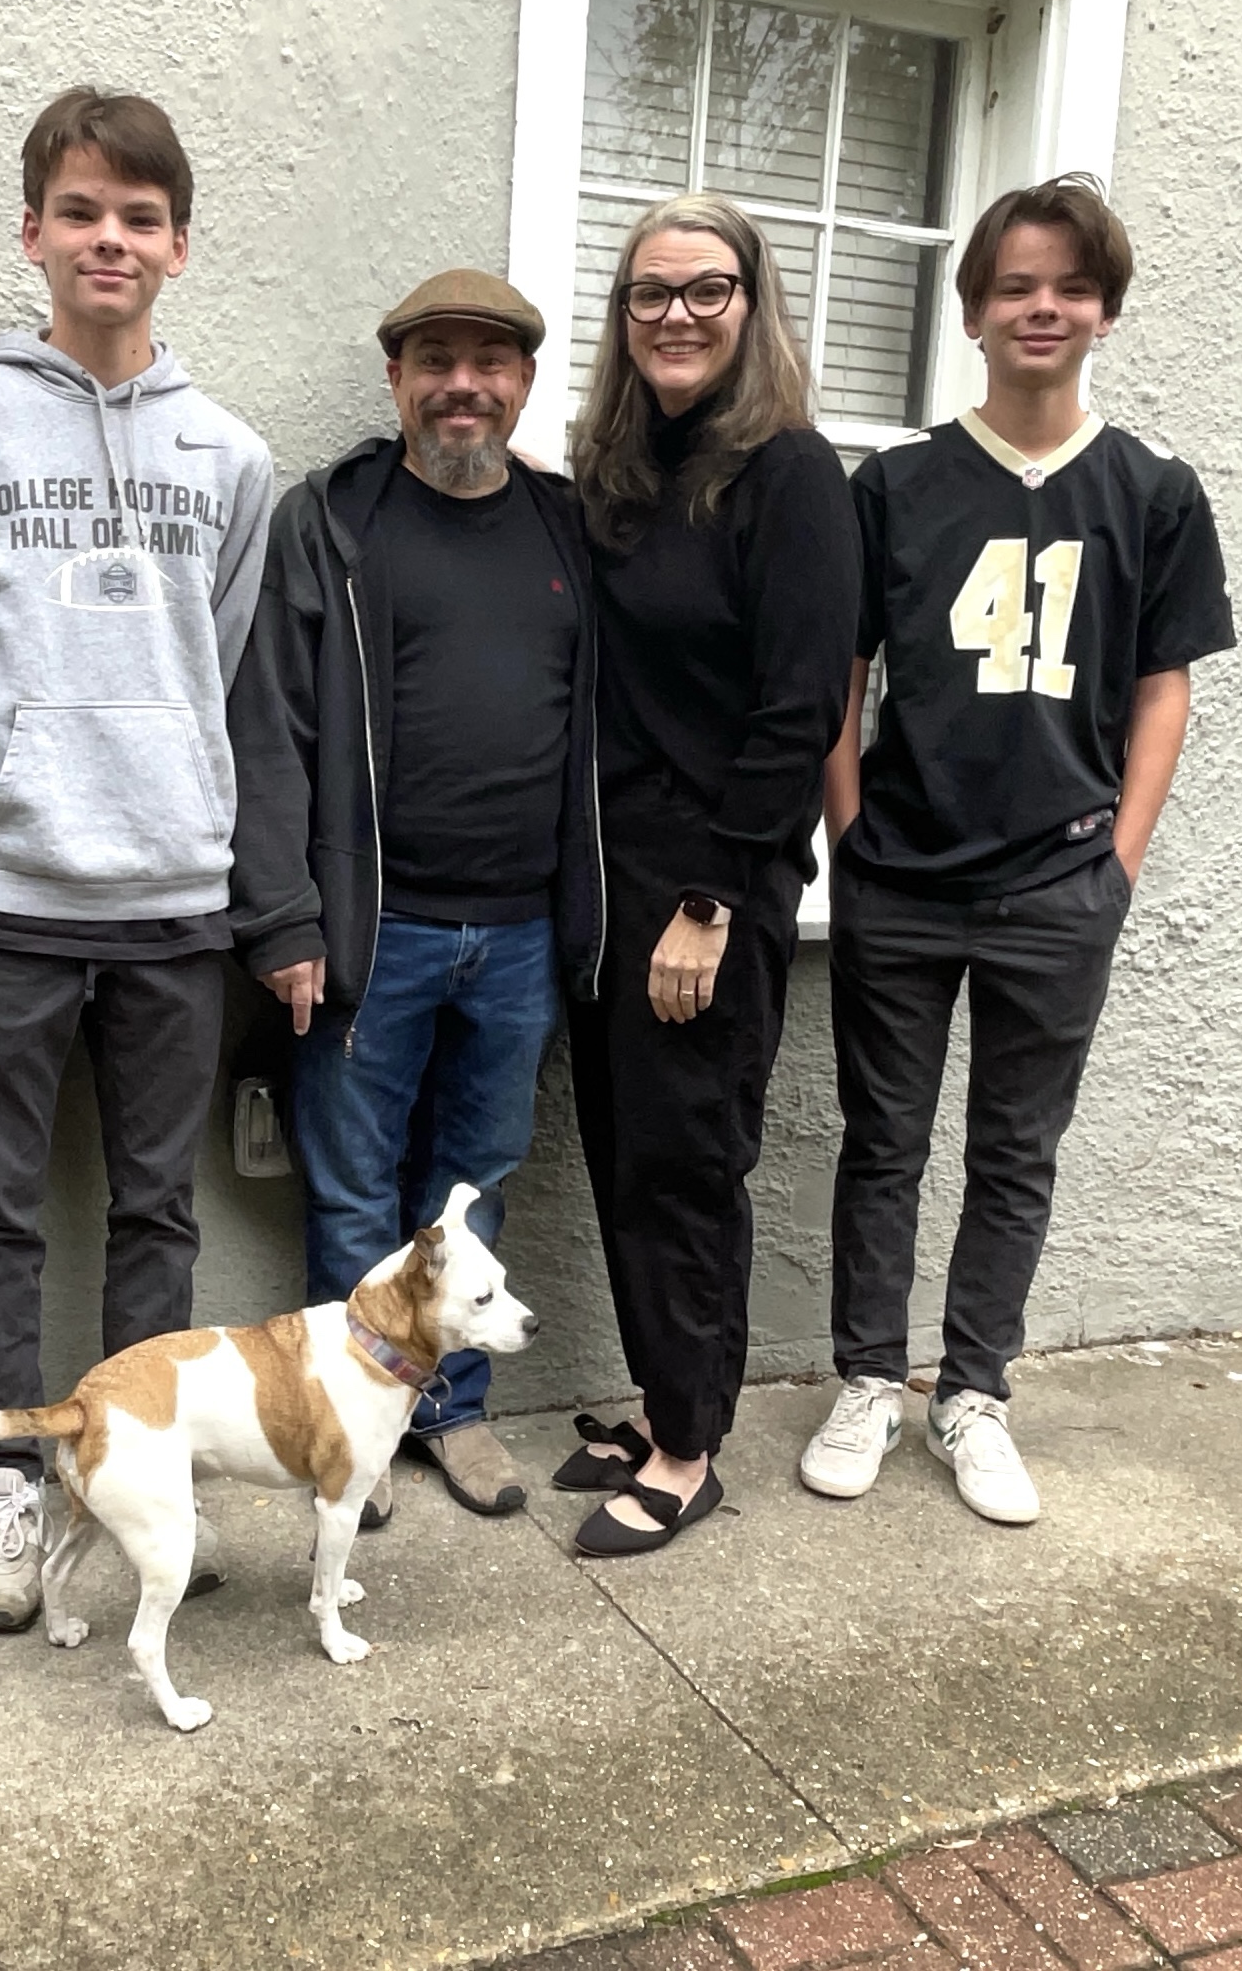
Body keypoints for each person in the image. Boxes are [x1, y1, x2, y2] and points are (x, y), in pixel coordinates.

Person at [0, 86, 274, 1633]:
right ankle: (3, 1480)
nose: (108, 238)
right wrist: (9, 786)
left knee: (157, 1209)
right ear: (33, 231)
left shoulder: (230, 455)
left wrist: (157, 781)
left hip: (173, 896)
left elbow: (215, 663)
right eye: (80, 211)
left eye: (139, 216)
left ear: (178, 245)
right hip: (0, 895)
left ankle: (129, 1471)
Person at [799, 175, 1233, 1524]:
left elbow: (1163, 684)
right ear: (973, 310)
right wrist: (850, 832)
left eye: (1069, 286)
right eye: (1014, 286)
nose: (1041, 307)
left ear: (1104, 310)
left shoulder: (1152, 491)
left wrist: (1118, 864)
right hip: (901, 875)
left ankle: (974, 1391)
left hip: (1058, 882)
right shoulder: (896, 485)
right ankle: (869, 1375)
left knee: (1015, 1150)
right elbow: (837, 676)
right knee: (882, 1141)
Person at [228, 270, 602, 1525]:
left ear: (522, 384)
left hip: (522, 931)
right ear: (395, 380)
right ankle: (353, 1425)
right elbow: (270, 728)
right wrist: (282, 916)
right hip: (367, 931)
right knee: (351, 1187)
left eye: (487, 363)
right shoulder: (333, 522)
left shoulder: (565, 529)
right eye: (434, 360)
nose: (461, 385)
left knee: (473, 1182)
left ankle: (451, 1411)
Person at [553, 194, 859, 1558]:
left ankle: (688, 1451)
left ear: (751, 304)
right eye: (649, 292)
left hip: (706, 885)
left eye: (705, 289)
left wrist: (710, 903)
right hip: (610, 877)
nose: (674, 314)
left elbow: (800, 711)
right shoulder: (625, 474)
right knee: (627, 1152)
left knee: (685, 1162)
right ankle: (662, 1400)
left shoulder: (790, 476)